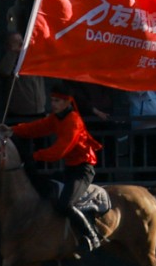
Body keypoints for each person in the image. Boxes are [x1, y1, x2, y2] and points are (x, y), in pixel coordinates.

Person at [10, 90, 106, 252]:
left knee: (64, 204)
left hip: (82, 170)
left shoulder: (73, 121)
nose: (53, 104)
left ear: (67, 103)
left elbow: (59, 151)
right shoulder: (56, 118)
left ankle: (92, 236)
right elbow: (36, 128)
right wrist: (12, 130)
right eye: (52, 100)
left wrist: (33, 156)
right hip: (70, 168)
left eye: (57, 101)